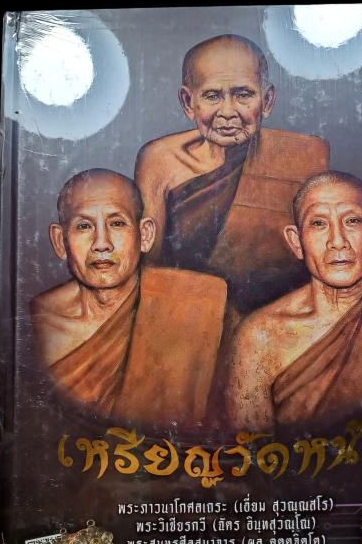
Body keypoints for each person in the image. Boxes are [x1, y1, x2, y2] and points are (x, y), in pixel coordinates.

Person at [135, 34, 329, 314]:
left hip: (280, 319)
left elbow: (320, 257)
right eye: (212, 96)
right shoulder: (160, 160)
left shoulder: (302, 158)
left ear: (267, 100)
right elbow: (148, 267)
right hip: (185, 316)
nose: (227, 112)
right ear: (188, 102)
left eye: (243, 95)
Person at [30, 168, 226, 431]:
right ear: (60, 241)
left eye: (117, 223)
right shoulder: (36, 325)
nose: (102, 244)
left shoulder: (198, 303)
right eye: (84, 226)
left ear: (145, 235)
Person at [226, 171, 362, 433]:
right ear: (296, 242)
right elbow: (253, 450)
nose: (338, 241)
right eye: (318, 223)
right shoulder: (259, 336)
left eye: (352, 221)